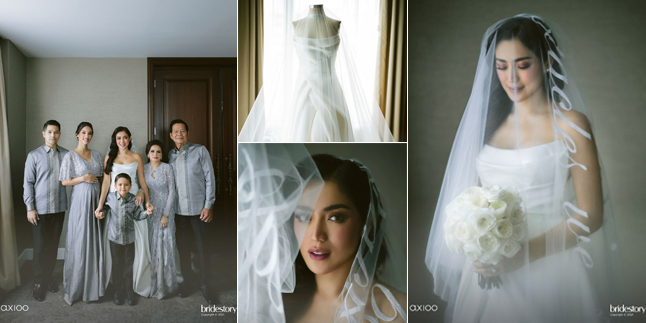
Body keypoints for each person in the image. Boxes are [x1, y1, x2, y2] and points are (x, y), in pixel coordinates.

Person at [424, 15, 621, 323]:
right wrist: (477, 246)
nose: (511, 77)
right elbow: (471, 200)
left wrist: (523, 255)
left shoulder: (572, 126)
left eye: (522, 64)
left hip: (552, 265)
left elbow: (591, 215)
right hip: (488, 271)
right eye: (501, 66)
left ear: (546, 61)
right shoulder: (486, 125)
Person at [237, 144, 407, 323]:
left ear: (367, 223)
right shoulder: (273, 304)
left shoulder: (400, 313)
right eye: (303, 216)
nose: (317, 235)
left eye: (335, 217)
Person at [238, 4, 394, 142]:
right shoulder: (297, 25)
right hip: (306, 91)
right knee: (302, 132)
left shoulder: (335, 24)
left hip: (330, 91)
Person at [95, 126, 154, 298]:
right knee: (116, 251)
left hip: (134, 202)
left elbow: (141, 180)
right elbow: (106, 183)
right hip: (115, 204)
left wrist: (146, 199)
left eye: (125, 138)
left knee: (135, 248)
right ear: (115, 140)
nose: (122, 141)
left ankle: (134, 285)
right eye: (119, 138)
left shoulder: (136, 157)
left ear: (130, 139)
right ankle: (117, 288)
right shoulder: (109, 157)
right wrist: (100, 206)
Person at [167, 119, 216, 303]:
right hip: (179, 213)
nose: (179, 134)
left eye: (182, 131)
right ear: (171, 135)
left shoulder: (200, 150)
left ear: (187, 133)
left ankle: (206, 285)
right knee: (183, 248)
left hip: (199, 211)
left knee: (203, 249)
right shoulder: (170, 155)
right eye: (175, 131)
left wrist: (208, 205)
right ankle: (186, 282)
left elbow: (210, 178)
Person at [59, 122, 105, 305]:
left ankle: (92, 287)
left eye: (90, 133)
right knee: (79, 239)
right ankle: (76, 287)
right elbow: (64, 181)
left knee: (94, 239)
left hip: (95, 202)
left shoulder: (97, 155)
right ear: (77, 134)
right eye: (84, 132)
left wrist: (101, 203)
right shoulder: (70, 156)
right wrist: (83, 178)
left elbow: (102, 178)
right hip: (79, 202)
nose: (87, 136)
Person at [23, 120, 69, 301]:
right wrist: (30, 208)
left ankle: (49, 278)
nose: (53, 135)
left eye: (56, 132)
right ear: (43, 133)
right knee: (40, 246)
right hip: (39, 210)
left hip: (59, 208)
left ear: (59, 134)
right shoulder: (33, 156)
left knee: (53, 246)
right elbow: (28, 183)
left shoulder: (66, 155)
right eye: (49, 132)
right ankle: (38, 282)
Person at [97, 173, 152, 306]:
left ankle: (129, 291)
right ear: (115, 186)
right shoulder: (110, 197)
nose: (123, 187)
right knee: (117, 265)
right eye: (120, 184)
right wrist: (102, 212)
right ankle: (117, 292)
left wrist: (146, 213)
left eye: (126, 184)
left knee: (128, 267)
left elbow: (138, 215)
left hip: (129, 239)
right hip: (114, 238)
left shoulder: (133, 200)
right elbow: (104, 208)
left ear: (130, 186)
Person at [143, 139, 179, 299]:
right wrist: (139, 194)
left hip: (165, 211)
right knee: (152, 244)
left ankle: (167, 284)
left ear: (162, 154)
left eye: (158, 152)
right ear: (147, 153)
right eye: (152, 151)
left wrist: (166, 214)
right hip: (151, 211)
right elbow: (141, 187)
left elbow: (172, 192)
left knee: (166, 244)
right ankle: (152, 284)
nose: (155, 154)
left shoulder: (167, 168)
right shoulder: (143, 169)